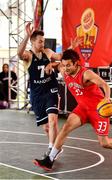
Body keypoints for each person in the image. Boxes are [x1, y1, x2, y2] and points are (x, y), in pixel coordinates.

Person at [33, 49, 112, 171]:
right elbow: (57, 65)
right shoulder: (63, 69)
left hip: (98, 110)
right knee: (65, 128)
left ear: (76, 63)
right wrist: (50, 64)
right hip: (82, 109)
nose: (66, 68)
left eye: (68, 65)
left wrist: (106, 99)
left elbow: (104, 85)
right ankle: (50, 160)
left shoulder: (86, 74)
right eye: (64, 65)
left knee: (104, 143)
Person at [17, 23, 81, 158]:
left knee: (53, 120)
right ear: (33, 41)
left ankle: (52, 150)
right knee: (46, 127)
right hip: (37, 94)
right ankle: (56, 145)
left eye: (43, 41)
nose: (42, 43)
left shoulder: (47, 52)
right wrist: (26, 36)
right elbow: (19, 53)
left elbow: (61, 57)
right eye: (40, 41)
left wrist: (72, 47)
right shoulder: (28, 56)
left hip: (50, 89)